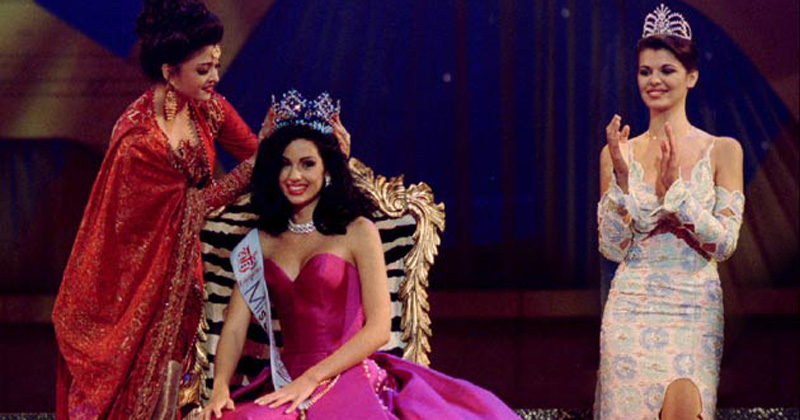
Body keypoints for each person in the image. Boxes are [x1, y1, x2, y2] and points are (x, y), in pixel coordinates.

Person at [202, 91, 520, 420]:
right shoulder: (261, 241)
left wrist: (312, 378)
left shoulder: (358, 231)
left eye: (307, 164)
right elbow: (235, 328)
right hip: (285, 382)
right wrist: (220, 387)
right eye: (285, 164)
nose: (294, 176)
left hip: (346, 376)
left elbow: (379, 328)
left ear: (327, 170)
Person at [51, 1, 271, 418]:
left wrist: (289, 150)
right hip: (133, 279)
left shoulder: (206, 106)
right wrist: (250, 171)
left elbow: (255, 152)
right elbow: (187, 209)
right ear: (170, 73)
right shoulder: (140, 142)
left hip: (182, 264)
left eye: (216, 65)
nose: (215, 77)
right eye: (203, 70)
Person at [595, 4, 744, 420]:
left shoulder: (723, 150)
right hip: (632, 305)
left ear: (691, 76)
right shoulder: (616, 152)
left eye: (667, 70)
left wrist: (677, 194)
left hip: (693, 307)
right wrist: (622, 181)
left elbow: (725, 245)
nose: (654, 80)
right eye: (645, 71)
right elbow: (611, 247)